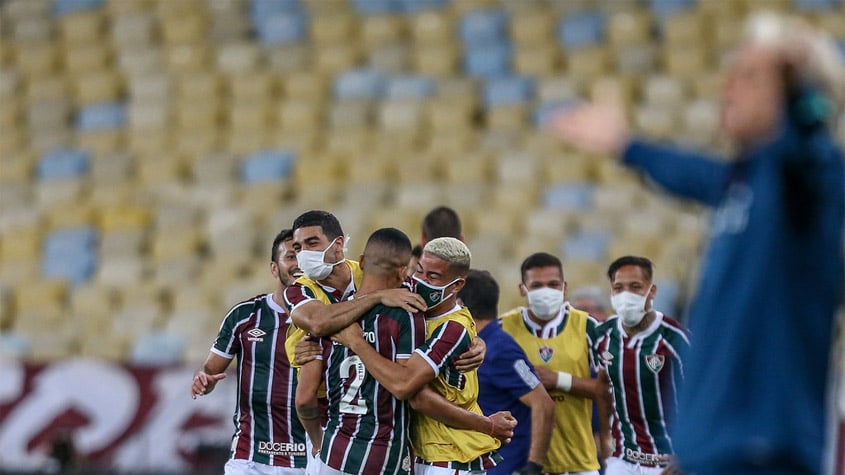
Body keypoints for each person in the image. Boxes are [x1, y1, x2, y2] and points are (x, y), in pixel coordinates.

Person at [547, 12, 844, 475]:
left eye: (749, 77)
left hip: (765, 451)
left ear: (788, 92)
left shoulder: (805, 184)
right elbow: (691, 173)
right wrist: (626, 145)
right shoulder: (740, 186)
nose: (728, 90)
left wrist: (804, 96)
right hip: (713, 451)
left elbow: (815, 141)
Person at [333, 237, 510, 475]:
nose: (420, 281)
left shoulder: (451, 328)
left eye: (433, 277)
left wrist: (356, 342)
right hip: (417, 453)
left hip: (447, 457)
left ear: (457, 286)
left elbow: (413, 393)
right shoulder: (410, 302)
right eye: (419, 271)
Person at [190, 229, 308, 474]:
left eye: (302, 256)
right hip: (250, 457)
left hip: (306, 459)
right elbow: (210, 369)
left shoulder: (328, 318)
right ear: (274, 268)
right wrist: (204, 380)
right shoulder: (244, 316)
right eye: (290, 257)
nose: (297, 264)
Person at [500, 252, 610, 475]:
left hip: (578, 462)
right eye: (537, 285)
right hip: (520, 463)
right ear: (523, 289)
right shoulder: (504, 328)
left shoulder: (587, 326)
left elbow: (606, 389)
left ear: (564, 287)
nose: (546, 292)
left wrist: (558, 380)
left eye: (553, 284)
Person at [587, 256, 690, 475]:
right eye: (619, 288)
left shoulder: (675, 338)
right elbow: (603, 385)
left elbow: (701, 395)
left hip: (667, 460)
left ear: (651, 291)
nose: (627, 295)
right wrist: (605, 436)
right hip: (622, 459)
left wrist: (686, 453)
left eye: (635, 287)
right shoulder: (602, 335)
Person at [458, 269, 555, 475]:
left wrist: (533, 465)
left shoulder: (500, 349)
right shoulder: (477, 343)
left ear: (460, 305)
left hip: (504, 465)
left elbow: (543, 403)